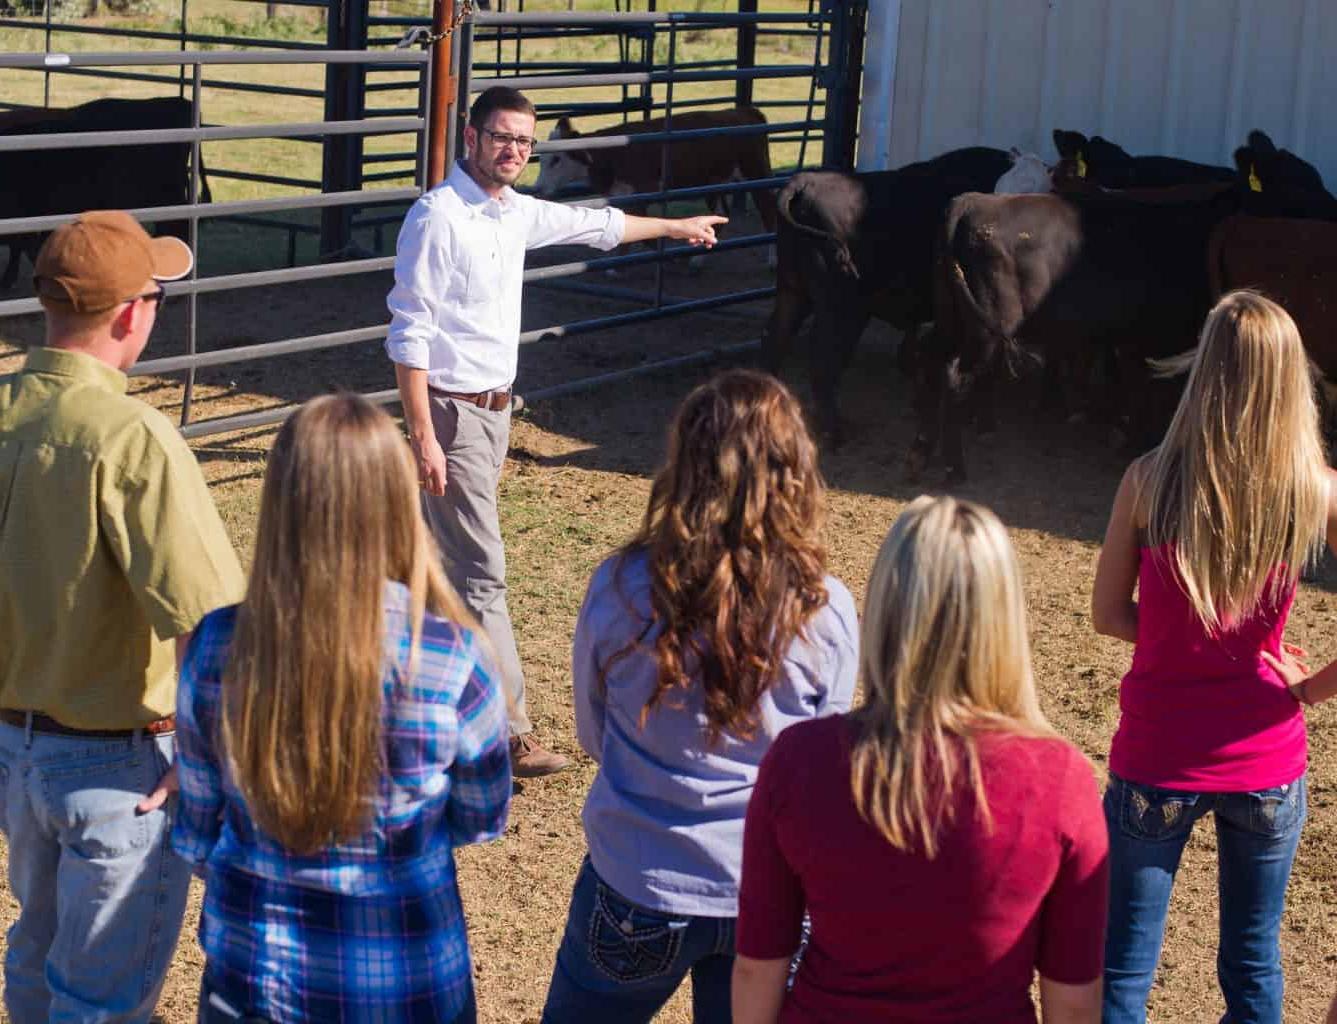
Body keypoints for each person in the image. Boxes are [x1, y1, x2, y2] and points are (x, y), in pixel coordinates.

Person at [386, 85, 727, 778]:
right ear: (471, 137)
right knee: (481, 575)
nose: (512, 150)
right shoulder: (438, 217)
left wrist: (670, 227)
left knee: (449, 563)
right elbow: (409, 332)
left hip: (492, 409)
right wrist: (423, 433)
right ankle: (509, 735)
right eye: (501, 137)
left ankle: (412, 698)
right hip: (452, 413)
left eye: (523, 141)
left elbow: (594, 225)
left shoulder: (511, 213)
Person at [171, 393, 511, 1023]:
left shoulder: (216, 644)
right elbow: (479, 815)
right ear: (395, 502)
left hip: (254, 985)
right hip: (408, 986)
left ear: (281, 502)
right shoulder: (456, 657)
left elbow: (196, 829)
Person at [540, 369, 858, 1023]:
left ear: (682, 462)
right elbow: (820, 763)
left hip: (637, 883)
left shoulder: (620, 586)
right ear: (794, 468)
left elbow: (593, 734)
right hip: (766, 897)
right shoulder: (825, 609)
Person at [733, 495, 1108, 1023]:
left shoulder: (799, 761)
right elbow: (1072, 1003)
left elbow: (758, 966)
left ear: (886, 608)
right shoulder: (1060, 778)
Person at [0, 210, 244, 1023]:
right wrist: (208, 751)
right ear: (133, 312)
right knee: (99, 997)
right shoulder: (134, 436)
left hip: (14, 747)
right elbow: (212, 619)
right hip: (115, 764)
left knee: (33, 953)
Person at [1091, 290, 1337, 1024]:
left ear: (1204, 370)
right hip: (1264, 757)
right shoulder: (1314, 489)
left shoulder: (1147, 479)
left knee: (1123, 970)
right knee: (1254, 961)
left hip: (1156, 755)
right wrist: (1310, 688)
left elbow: (1106, 615)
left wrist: (1177, 643)